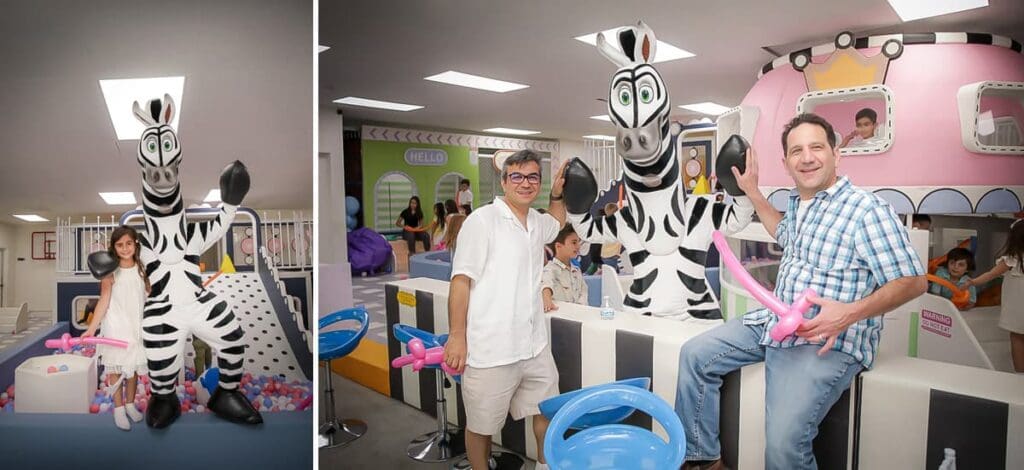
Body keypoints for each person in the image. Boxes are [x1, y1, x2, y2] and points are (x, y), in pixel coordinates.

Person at [675, 113, 926, 470]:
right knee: (695, 356)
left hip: (825, 340)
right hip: (774, 322)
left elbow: (913, 281)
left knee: (782, 445)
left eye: (816, 148)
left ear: (836, 154)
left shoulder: (866, 211)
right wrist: (752, 191)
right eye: (797, 151)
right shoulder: (798, 204)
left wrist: (848, 313)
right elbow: (783, 232)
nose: (807, 158)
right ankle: (705, 461)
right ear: (786, 163)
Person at [444, 150, 568, 470]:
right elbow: (460, 281)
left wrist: (557, 194)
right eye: (517, 176)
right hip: (491, 348)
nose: (525, 183)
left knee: (547, 409)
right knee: (481, 425)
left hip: (534, 345)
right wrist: (457, 336)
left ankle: (545, 465)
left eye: (532, 177)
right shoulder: (482, 221)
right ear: (504, 181)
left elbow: (557, 220)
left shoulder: (537, 222)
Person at [82, 225, 150, 431]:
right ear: (114, 247)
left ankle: (130, 404)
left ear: (135, 244)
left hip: (136, 324)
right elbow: (104, 299)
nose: (125, 248)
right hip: (116, 324)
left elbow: (149, 293)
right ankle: (119, 409)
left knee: (132, 368)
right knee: (116, 368)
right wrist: (92, 328)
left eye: (129, 243)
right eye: (120, 245)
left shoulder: (142, 268)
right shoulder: (110, 270)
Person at [967, 218, 1024, 373]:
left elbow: (991, 274)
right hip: (1017, 306)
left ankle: (1020, 372)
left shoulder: (1013, 259)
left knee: (1017, 337)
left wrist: (973, 282)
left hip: (1016, 308)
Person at [542, 225, 588, 312]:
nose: (578, 246)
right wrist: (546, 298)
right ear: (558, 246)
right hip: (560, 315)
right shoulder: (550, 269)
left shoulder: (577, 270)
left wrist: (581, 308)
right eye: (574, 242)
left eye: (578, 242)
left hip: (579, 314)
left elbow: (584, 292)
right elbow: (545, 284)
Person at [599, 202, 622, 272]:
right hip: (612, 255)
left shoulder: (604, 222)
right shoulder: (618, 224)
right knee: (611, 274)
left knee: (612, 272)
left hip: (604, 254)